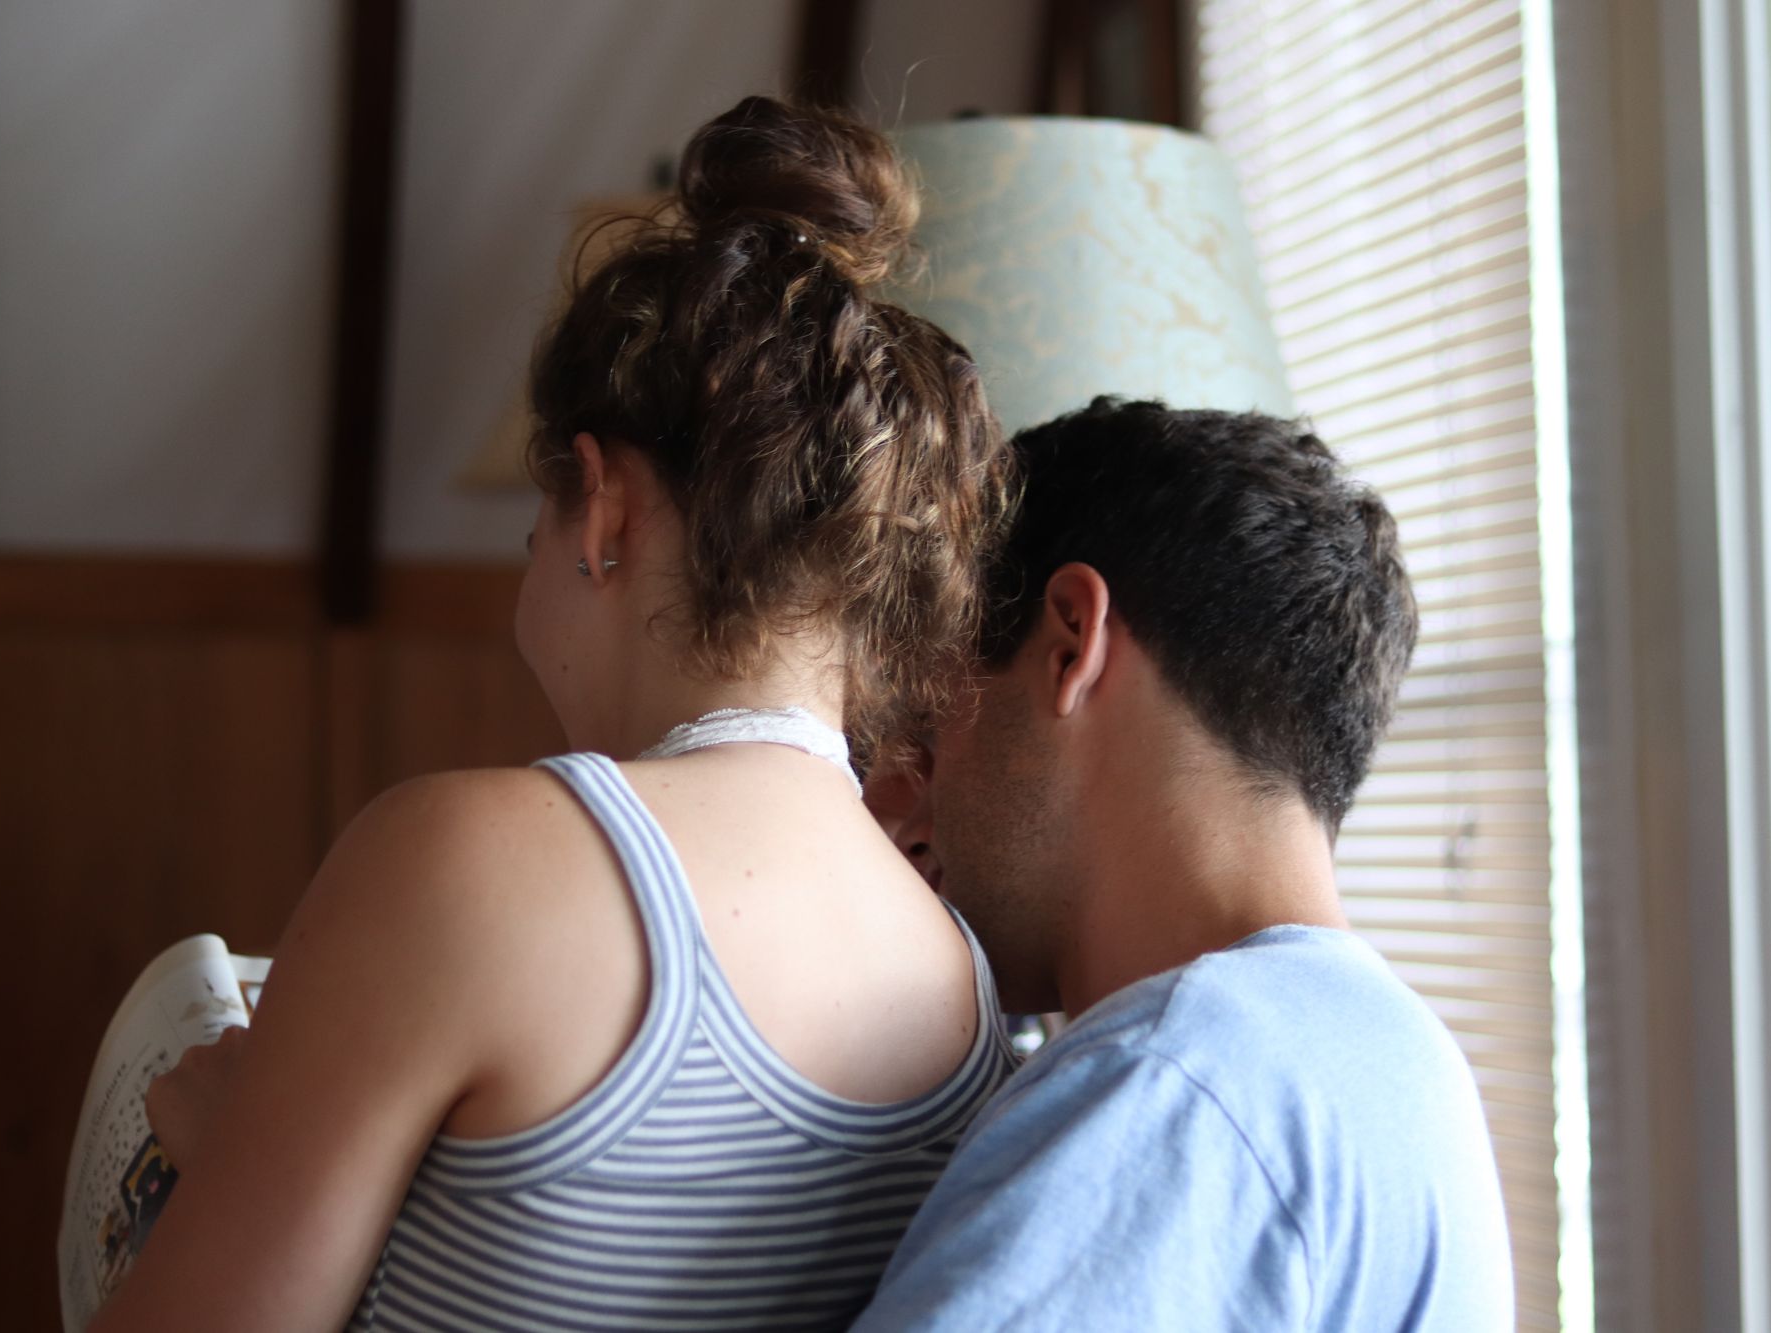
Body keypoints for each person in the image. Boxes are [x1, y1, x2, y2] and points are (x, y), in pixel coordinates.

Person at [94, 95, 1017, 1333]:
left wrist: (223, 1146)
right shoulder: (963, 977)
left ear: (603, 509)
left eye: (532, 528)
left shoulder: (466, 860)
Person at [855, 398, 1515, 1330]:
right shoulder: (1401, 1065)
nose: (908, 804)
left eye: (933, 717)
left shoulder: (1174, 1082)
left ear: (1068, 644)